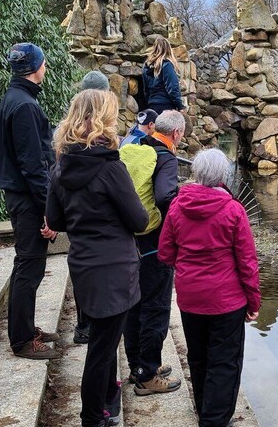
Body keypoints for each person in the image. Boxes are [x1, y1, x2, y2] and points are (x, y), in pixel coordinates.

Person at [46, 89, 149, 427]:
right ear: (102, 120)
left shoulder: (61, 167)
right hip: (116, 268)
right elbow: (139, 220)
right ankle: (93, 417)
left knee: (103, 340)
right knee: (102, 349)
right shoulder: (111, 168)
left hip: (84, 264)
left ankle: (109, 399)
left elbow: (57, 221)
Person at [158, 149, 261, 427]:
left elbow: (165, 254)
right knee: (225, 362)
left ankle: (204, 410)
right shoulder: (233, 210)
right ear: (223, 176)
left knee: (198, 356)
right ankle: (214, 420)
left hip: (191, 298)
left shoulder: (177, 207)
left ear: (196, 174)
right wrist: (253, 302)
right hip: (227, 301)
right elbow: (247, 261)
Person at [0, 42, 61, 360]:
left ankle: (27, 327)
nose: (45, 68)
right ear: (36, 68)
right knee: (29, 267)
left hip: (20, 195)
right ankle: (21, 339)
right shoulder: (25, 106)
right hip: (26, 198)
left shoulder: (15, 99)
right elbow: (33, 165)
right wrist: (48, 211)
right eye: (44, 63)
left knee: (28, 265)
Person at [121, 110, 186, 396]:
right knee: (157, 308)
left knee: (134, 304)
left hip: (130, 239)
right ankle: (148, 375)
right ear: (176, 134)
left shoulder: (136, 148)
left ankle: (139, 364)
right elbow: (164, 196)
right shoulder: (167, 157)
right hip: (155, 244)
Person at [71, 69, 110, 345]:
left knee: (83, 269)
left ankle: (84, 323)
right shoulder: (101, 130)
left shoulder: (69, 129)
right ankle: (92, 323)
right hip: (96, 214)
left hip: (77, 218)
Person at [142, 36, 185, 114]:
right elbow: (172, 88)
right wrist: (180, 106)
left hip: (152, 106)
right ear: (168, 49)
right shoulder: (167, 65)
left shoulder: (146, 66)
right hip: (166, 106)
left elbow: (146, 90)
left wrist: (149, 102)